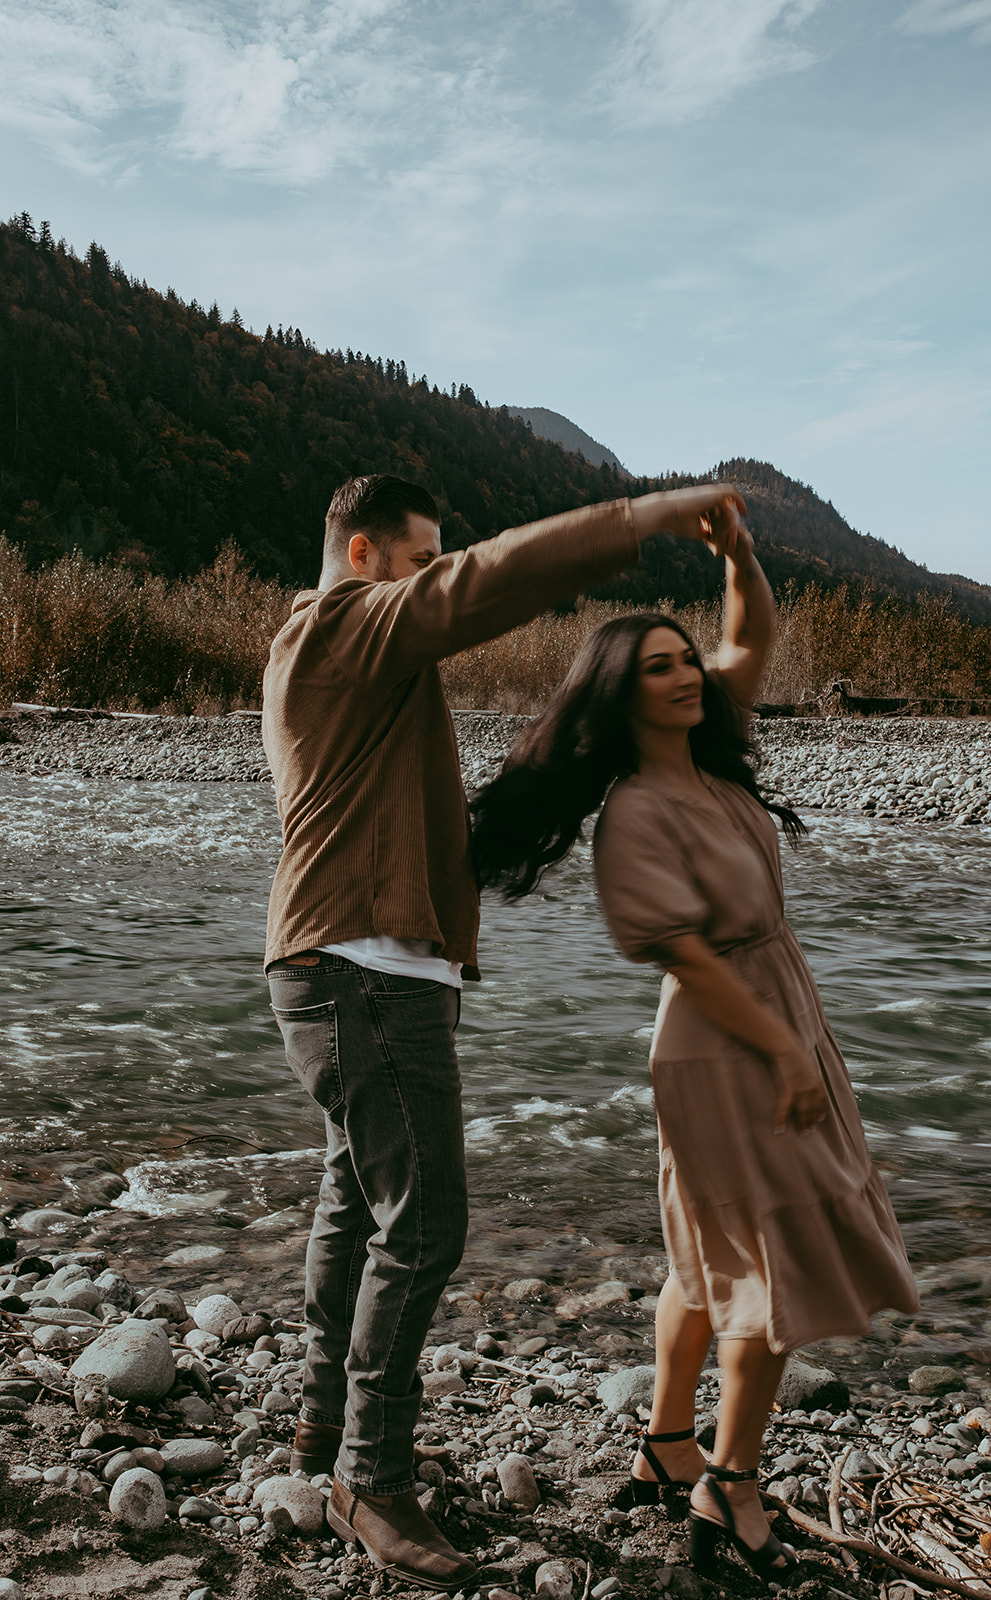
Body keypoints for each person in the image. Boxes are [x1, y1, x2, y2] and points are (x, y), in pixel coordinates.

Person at [261, 471, 748, 1591]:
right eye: (421, 557)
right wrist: (640, 519)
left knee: (356, 1199)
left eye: (437, 558)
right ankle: (369, 1481)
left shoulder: (325, 653)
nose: (435, 574)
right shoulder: (347, 620)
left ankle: (322, 1424)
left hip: (341, 965)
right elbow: (491, 581)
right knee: (426, 1224)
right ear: (368, 555)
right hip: (362, 970)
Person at [469, 513, 918, 1583]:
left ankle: (668, 1440)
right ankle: (732, 1478)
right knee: (771, 1267)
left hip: (772, 1011)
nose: (684, 677)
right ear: (619, 698)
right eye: (658, 668)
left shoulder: (713, 764)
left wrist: (740, 562)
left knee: (702, 1258)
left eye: (686, 660)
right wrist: (781, 1050)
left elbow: (749, 644)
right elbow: (679, 951)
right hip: (726, 1037)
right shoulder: (634, 810)